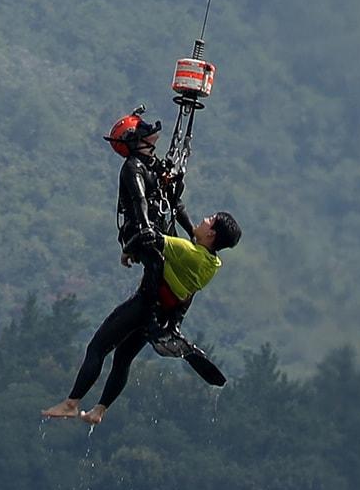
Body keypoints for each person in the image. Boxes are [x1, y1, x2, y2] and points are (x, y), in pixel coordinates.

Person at [41, 209, 241, 424]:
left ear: (211, 234)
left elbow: (147, 237)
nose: (203, 219)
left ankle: (72, 403)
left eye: (210, 220)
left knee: (98, 348)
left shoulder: (186, 251)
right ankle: (99, 410)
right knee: (123, 359)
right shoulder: (211, 265)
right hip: (161, 315)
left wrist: (127, 250)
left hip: (143, 305)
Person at [104, 109, 179, 260]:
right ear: (133, 139)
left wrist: (192, 233)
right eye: (142, 128)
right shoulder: (132, 168)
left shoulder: (153, 163)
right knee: (156, 265)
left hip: (158, 226)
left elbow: (175, 202)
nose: (148, 128)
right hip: (139, 231)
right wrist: (145, 227)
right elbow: (139, 198)